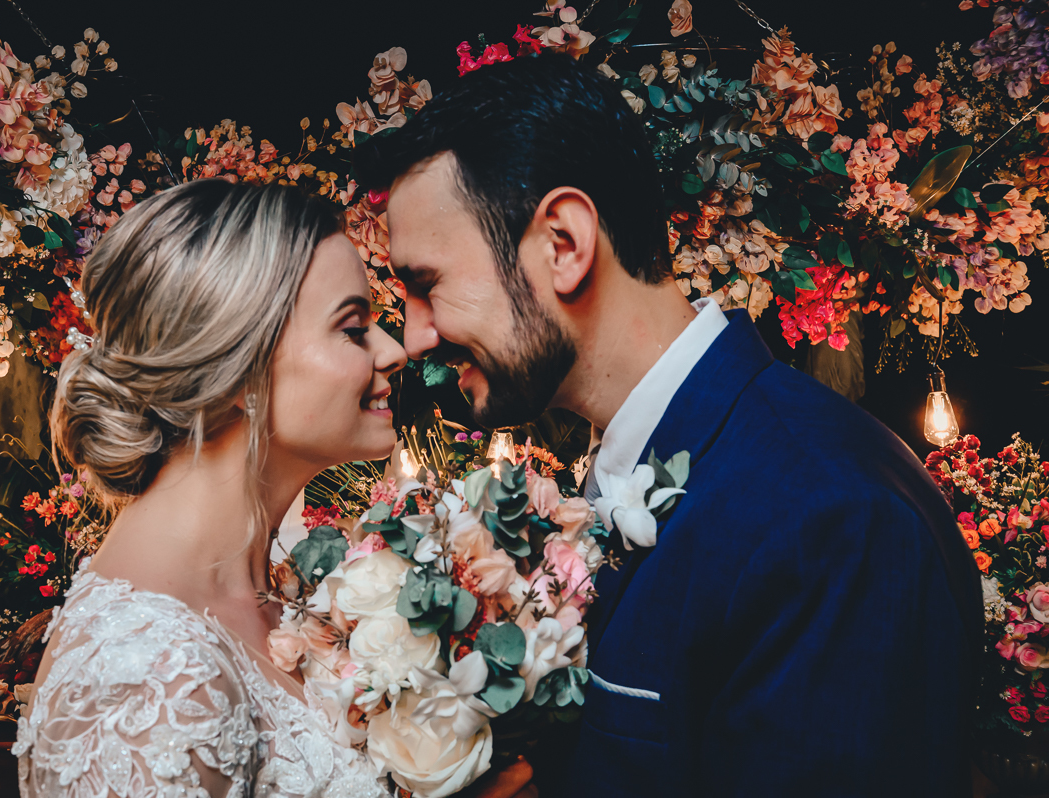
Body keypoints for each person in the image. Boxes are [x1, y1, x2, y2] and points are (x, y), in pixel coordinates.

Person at [355, 54, 982, 796]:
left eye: (425, 285)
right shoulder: (633, 471)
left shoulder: (828, 516)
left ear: (564, 245)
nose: (414, 336)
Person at [15, 180, 536, 798]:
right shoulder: (145, 685)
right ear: (236, 366)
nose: (394, 351)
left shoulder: (284, 596)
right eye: (353, 328)